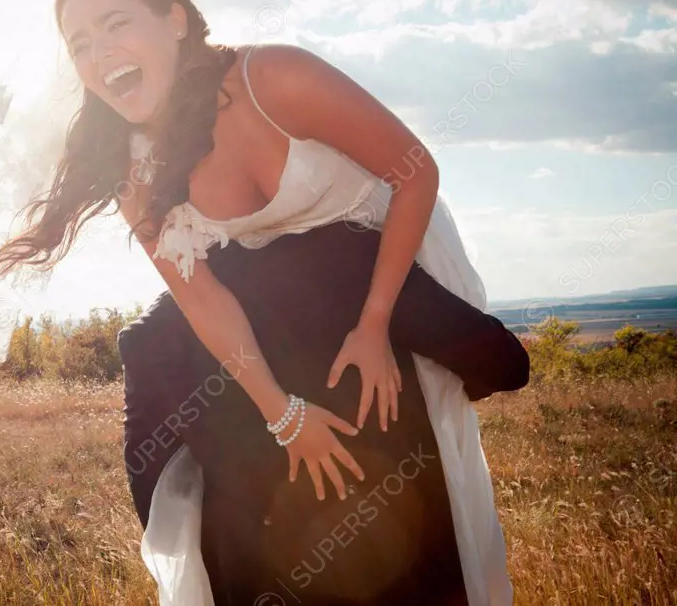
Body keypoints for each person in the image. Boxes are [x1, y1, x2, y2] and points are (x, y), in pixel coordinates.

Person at [0, 0, 522, 604]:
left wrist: (376, 323)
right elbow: (201, 296)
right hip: (278, 311)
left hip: (381, 273)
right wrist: (281, 413)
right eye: (81, 44)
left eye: (117, 23)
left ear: (174, 20)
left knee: (401, 485)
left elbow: (415, 170)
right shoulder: (136, 169)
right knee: (172, 368)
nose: (101, 53)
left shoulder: (275, 77)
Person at [119, 219, 529, 605]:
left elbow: (152, 493)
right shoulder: (356, 258)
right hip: (407, 565)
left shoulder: (154, 331)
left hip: (254, 581)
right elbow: (503, 365)